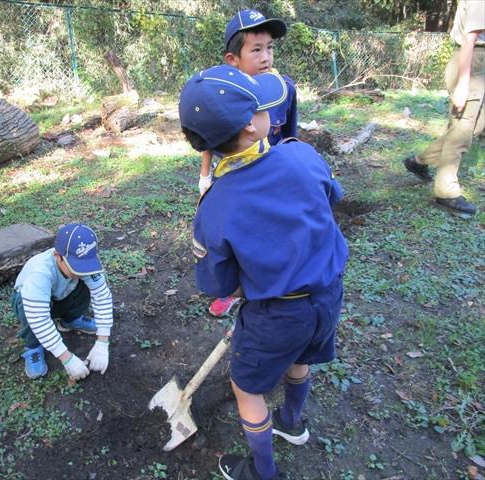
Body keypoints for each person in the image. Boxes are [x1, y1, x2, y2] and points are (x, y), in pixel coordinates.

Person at [179, 64, 348, 480]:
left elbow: (219, 285)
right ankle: (292, 422)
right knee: (300, 358)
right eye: (260, 108)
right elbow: (333, 197)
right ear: (254, 126)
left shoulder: (214, 207)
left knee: (247, 388)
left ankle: (262, 472)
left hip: (276, 314)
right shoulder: (301, 153)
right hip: (329, 295)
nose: (270, 114)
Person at [201, 9, 298, 318]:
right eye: (256, 49)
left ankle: (275, 282)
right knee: (236, 237)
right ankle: (235, 289)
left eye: (269, 47)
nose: (266, 56)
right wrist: (205, 177)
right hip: (232, 180)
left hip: (271, 180)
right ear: (233, 59)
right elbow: (206, 138)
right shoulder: (220, 93)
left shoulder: (285, 90)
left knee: (271, 234)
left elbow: (290, 139)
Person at [402, 0, 483, 216]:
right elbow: (469, 39)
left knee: (473, 128)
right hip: (472, 62)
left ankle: (419, 161)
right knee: (462, 132)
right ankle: (447, 193)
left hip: (480, 64)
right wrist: (463, 85)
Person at [10, 223, 113, 381]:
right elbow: (39, 319)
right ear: (57, 255)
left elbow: (102, 295)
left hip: (62, 294)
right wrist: (67, 358)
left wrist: (102, 342)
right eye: (76, 267)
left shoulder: (84, 258)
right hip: (31, 304)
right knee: (27, 308)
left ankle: (70, 320)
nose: (83, 270)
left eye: (85, 265)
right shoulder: (41, 273)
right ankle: (33, 346)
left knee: (85, 283)